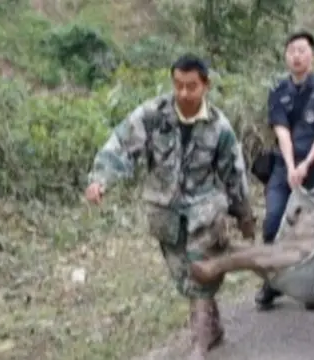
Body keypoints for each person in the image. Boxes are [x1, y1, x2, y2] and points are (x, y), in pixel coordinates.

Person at [83, 54, 255, 360]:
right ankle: (213, 327)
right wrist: (101, 179)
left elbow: (235, 172)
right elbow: (121, 145)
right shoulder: (152, 114)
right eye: (178, 85)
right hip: (166, 213)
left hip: (205, 212)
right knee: (185, 278)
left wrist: (244, 215)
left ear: (206, 86)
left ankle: (199, 345)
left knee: (201, 275)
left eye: (192, 86)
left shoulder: (219, 127)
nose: (184, 93)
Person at [256, 30, 314, 311]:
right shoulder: (278, 91)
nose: (297, 56)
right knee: (273, 222)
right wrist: (291, 167)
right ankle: (271, 283)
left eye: (302, 50)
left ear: (313, 56)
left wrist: (306, 165)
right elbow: (282, 132)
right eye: (291, 50)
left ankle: (310, 285)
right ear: (285, 56)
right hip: (284, 168)